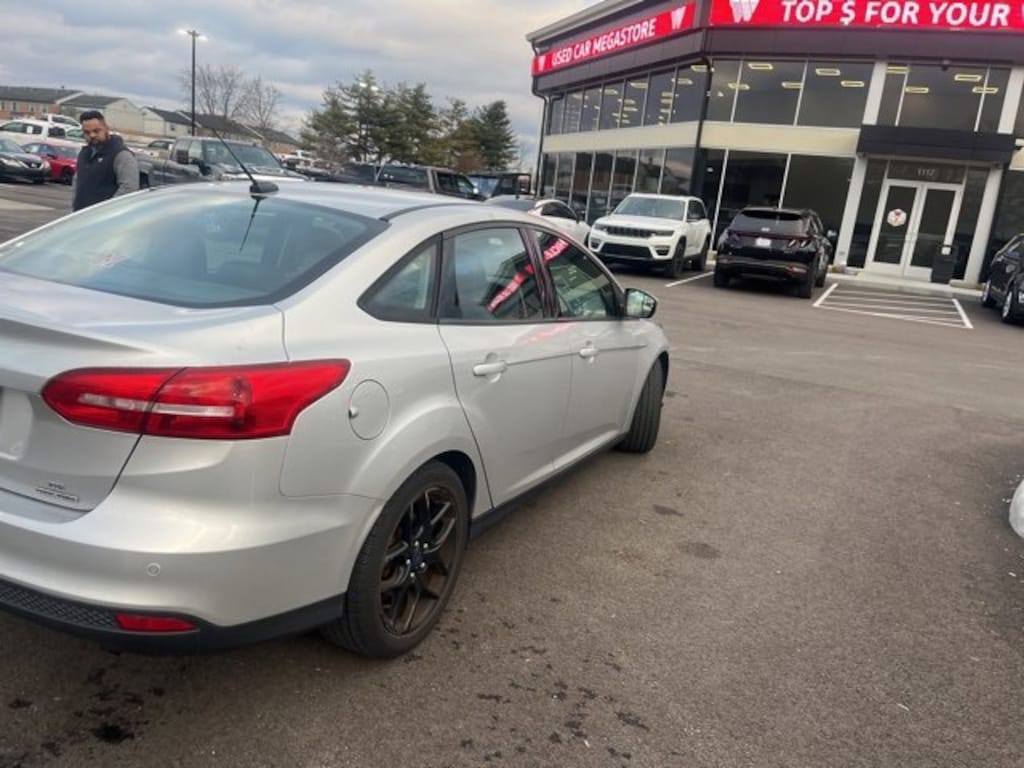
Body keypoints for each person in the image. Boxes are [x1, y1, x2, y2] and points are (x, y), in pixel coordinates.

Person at [71, 110, 139, 211]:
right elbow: (77, 181)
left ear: (106, 128)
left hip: (106, 218)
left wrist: (106, 212)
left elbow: (129, 189)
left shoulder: (122, 155)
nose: (92, 135)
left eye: (96, 131)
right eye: (87, 132)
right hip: (81, 216)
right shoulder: (84, 153)